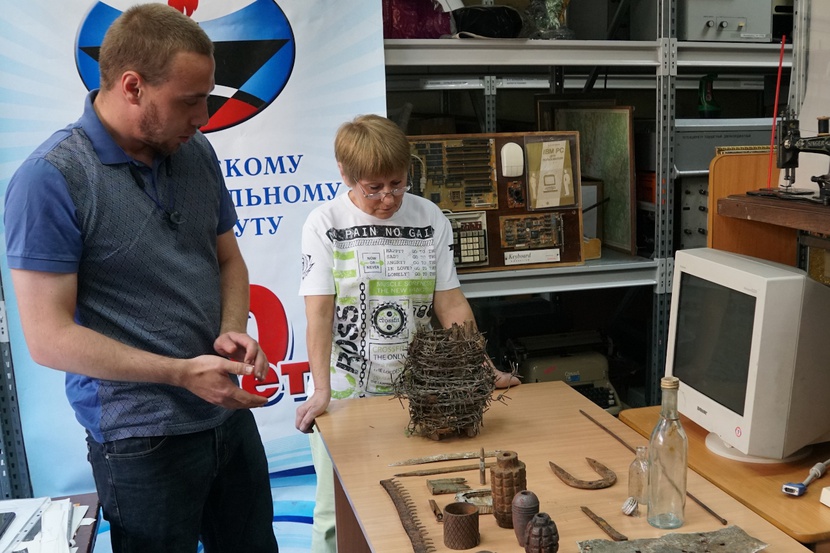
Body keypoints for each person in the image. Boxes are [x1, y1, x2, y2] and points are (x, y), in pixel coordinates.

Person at [3, 4, 278, 553]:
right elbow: (48, 338)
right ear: (132, 87)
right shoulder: (51, 179)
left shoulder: (195, 151)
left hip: (224, 415)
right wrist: (180, 373)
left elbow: (228, 260)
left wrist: (231, 326)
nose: (204, 116)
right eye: (190, 100)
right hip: (139, 440)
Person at [296, 114, 520, 552]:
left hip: (417, 393)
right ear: (345, 174)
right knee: (334, 515)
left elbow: (450, 304)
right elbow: (319, 314)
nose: (388, 198)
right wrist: (322, 390)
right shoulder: (325, 224)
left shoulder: (429, 217)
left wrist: (483, 367)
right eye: (374, 188)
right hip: (346, 393)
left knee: (410, 500)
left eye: (397, 184)